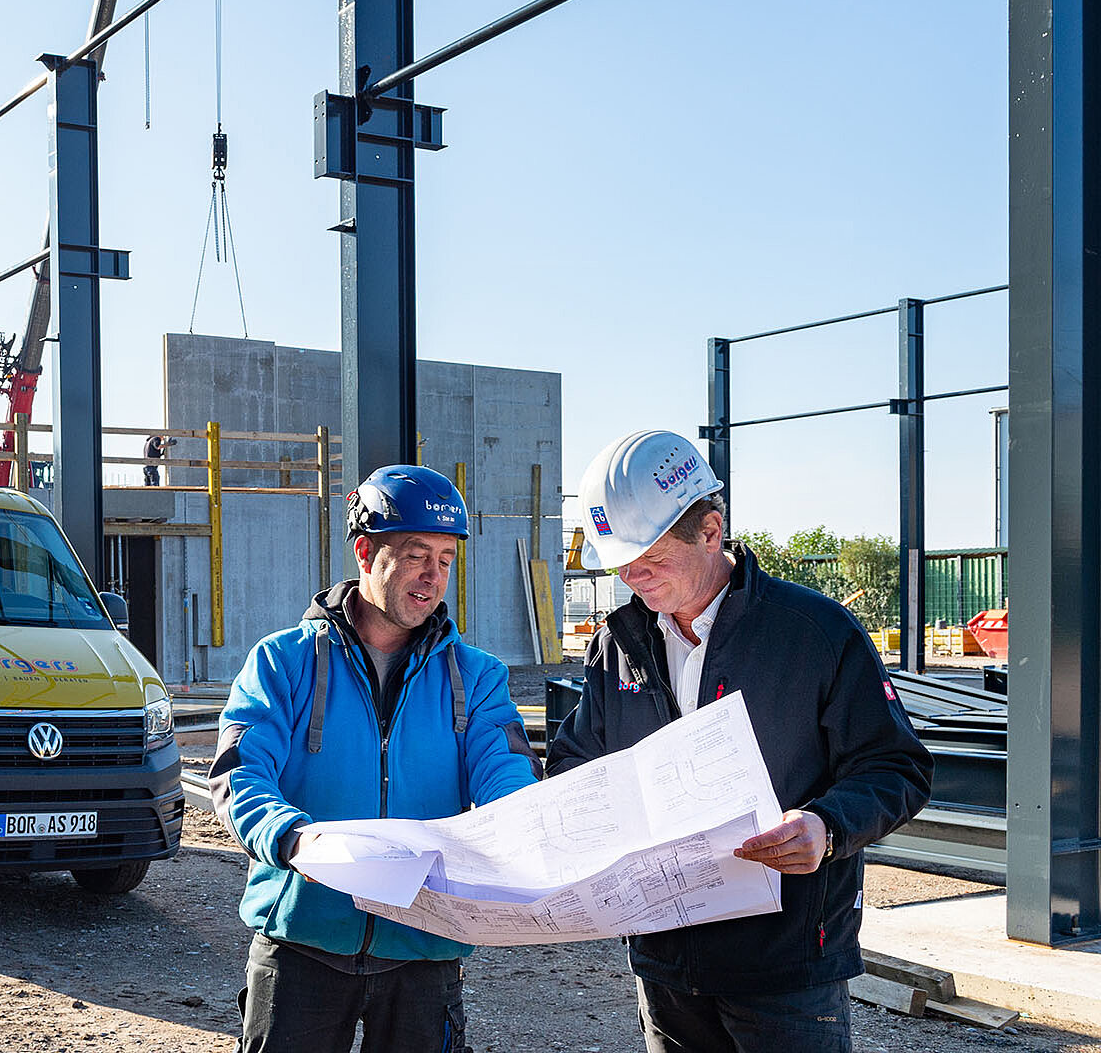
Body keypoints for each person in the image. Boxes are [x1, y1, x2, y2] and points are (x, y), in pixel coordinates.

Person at [547, 430, 933, 1053]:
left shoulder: (814, 634)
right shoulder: (619, 644)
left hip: (785, 970)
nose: (630, 576)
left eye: (648, 559)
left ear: (710, 530)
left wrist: (827, 828)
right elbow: (578, 757)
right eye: (618, 562)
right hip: (664, 959)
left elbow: (896, 767)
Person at [210, 465, 542, 1053]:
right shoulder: (282, 662)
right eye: (416, 554)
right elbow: (242, 772)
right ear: (365, 551)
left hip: (424, 943)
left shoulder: (478, 676)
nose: (432, 576)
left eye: (445, 559)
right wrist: (292, 838)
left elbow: (504, 768)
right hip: (303, 936)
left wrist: (519, 825)